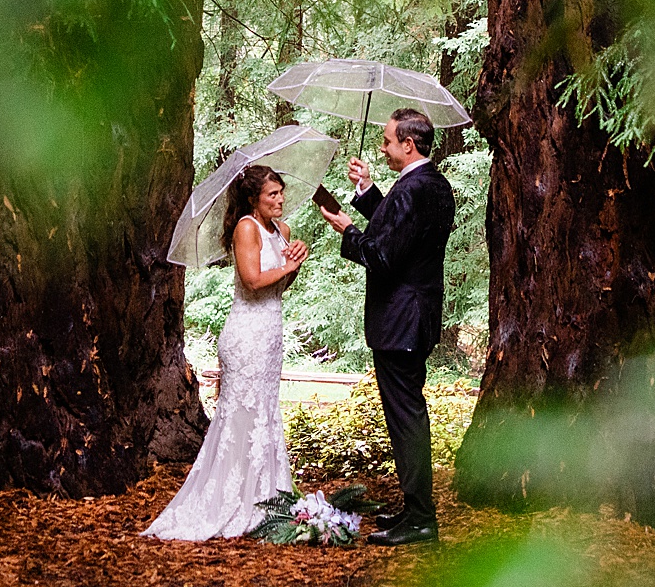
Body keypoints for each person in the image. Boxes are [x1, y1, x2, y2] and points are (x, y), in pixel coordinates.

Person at [145, 165, 308, 539]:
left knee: (265, 411)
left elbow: (280, 288)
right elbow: (252, 282)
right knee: (241, 413)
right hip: (246, 332)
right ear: (254, 199)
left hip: (270, 333)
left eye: (281, 193)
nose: (280, 200)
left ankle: (268, 497)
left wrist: (294, 262)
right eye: (272, 195)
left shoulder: (281, 231)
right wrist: (288, 264)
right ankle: (233, 498)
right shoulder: (246, 227)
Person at [318, 110, 456, 546]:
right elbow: (400, 229)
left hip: (401, 320)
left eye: (387, 141)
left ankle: (421, 519)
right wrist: (366, 190)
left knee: (407, 421)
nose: (382, 148)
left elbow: (382, 255)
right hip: (418, 317)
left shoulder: (413, 189)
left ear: (408, 145)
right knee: (407, 417)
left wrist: (347, 229)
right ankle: (415, 511)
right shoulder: (433, 185)